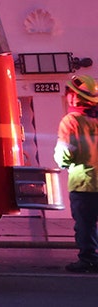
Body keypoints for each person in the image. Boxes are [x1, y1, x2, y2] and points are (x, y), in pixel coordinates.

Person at [55, 74, 98, 273]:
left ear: (74, 96)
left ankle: (88, 259)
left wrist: (64, 163)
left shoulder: (71, 121)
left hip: (84, 184)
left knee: (86, 225)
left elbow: (65, 154)